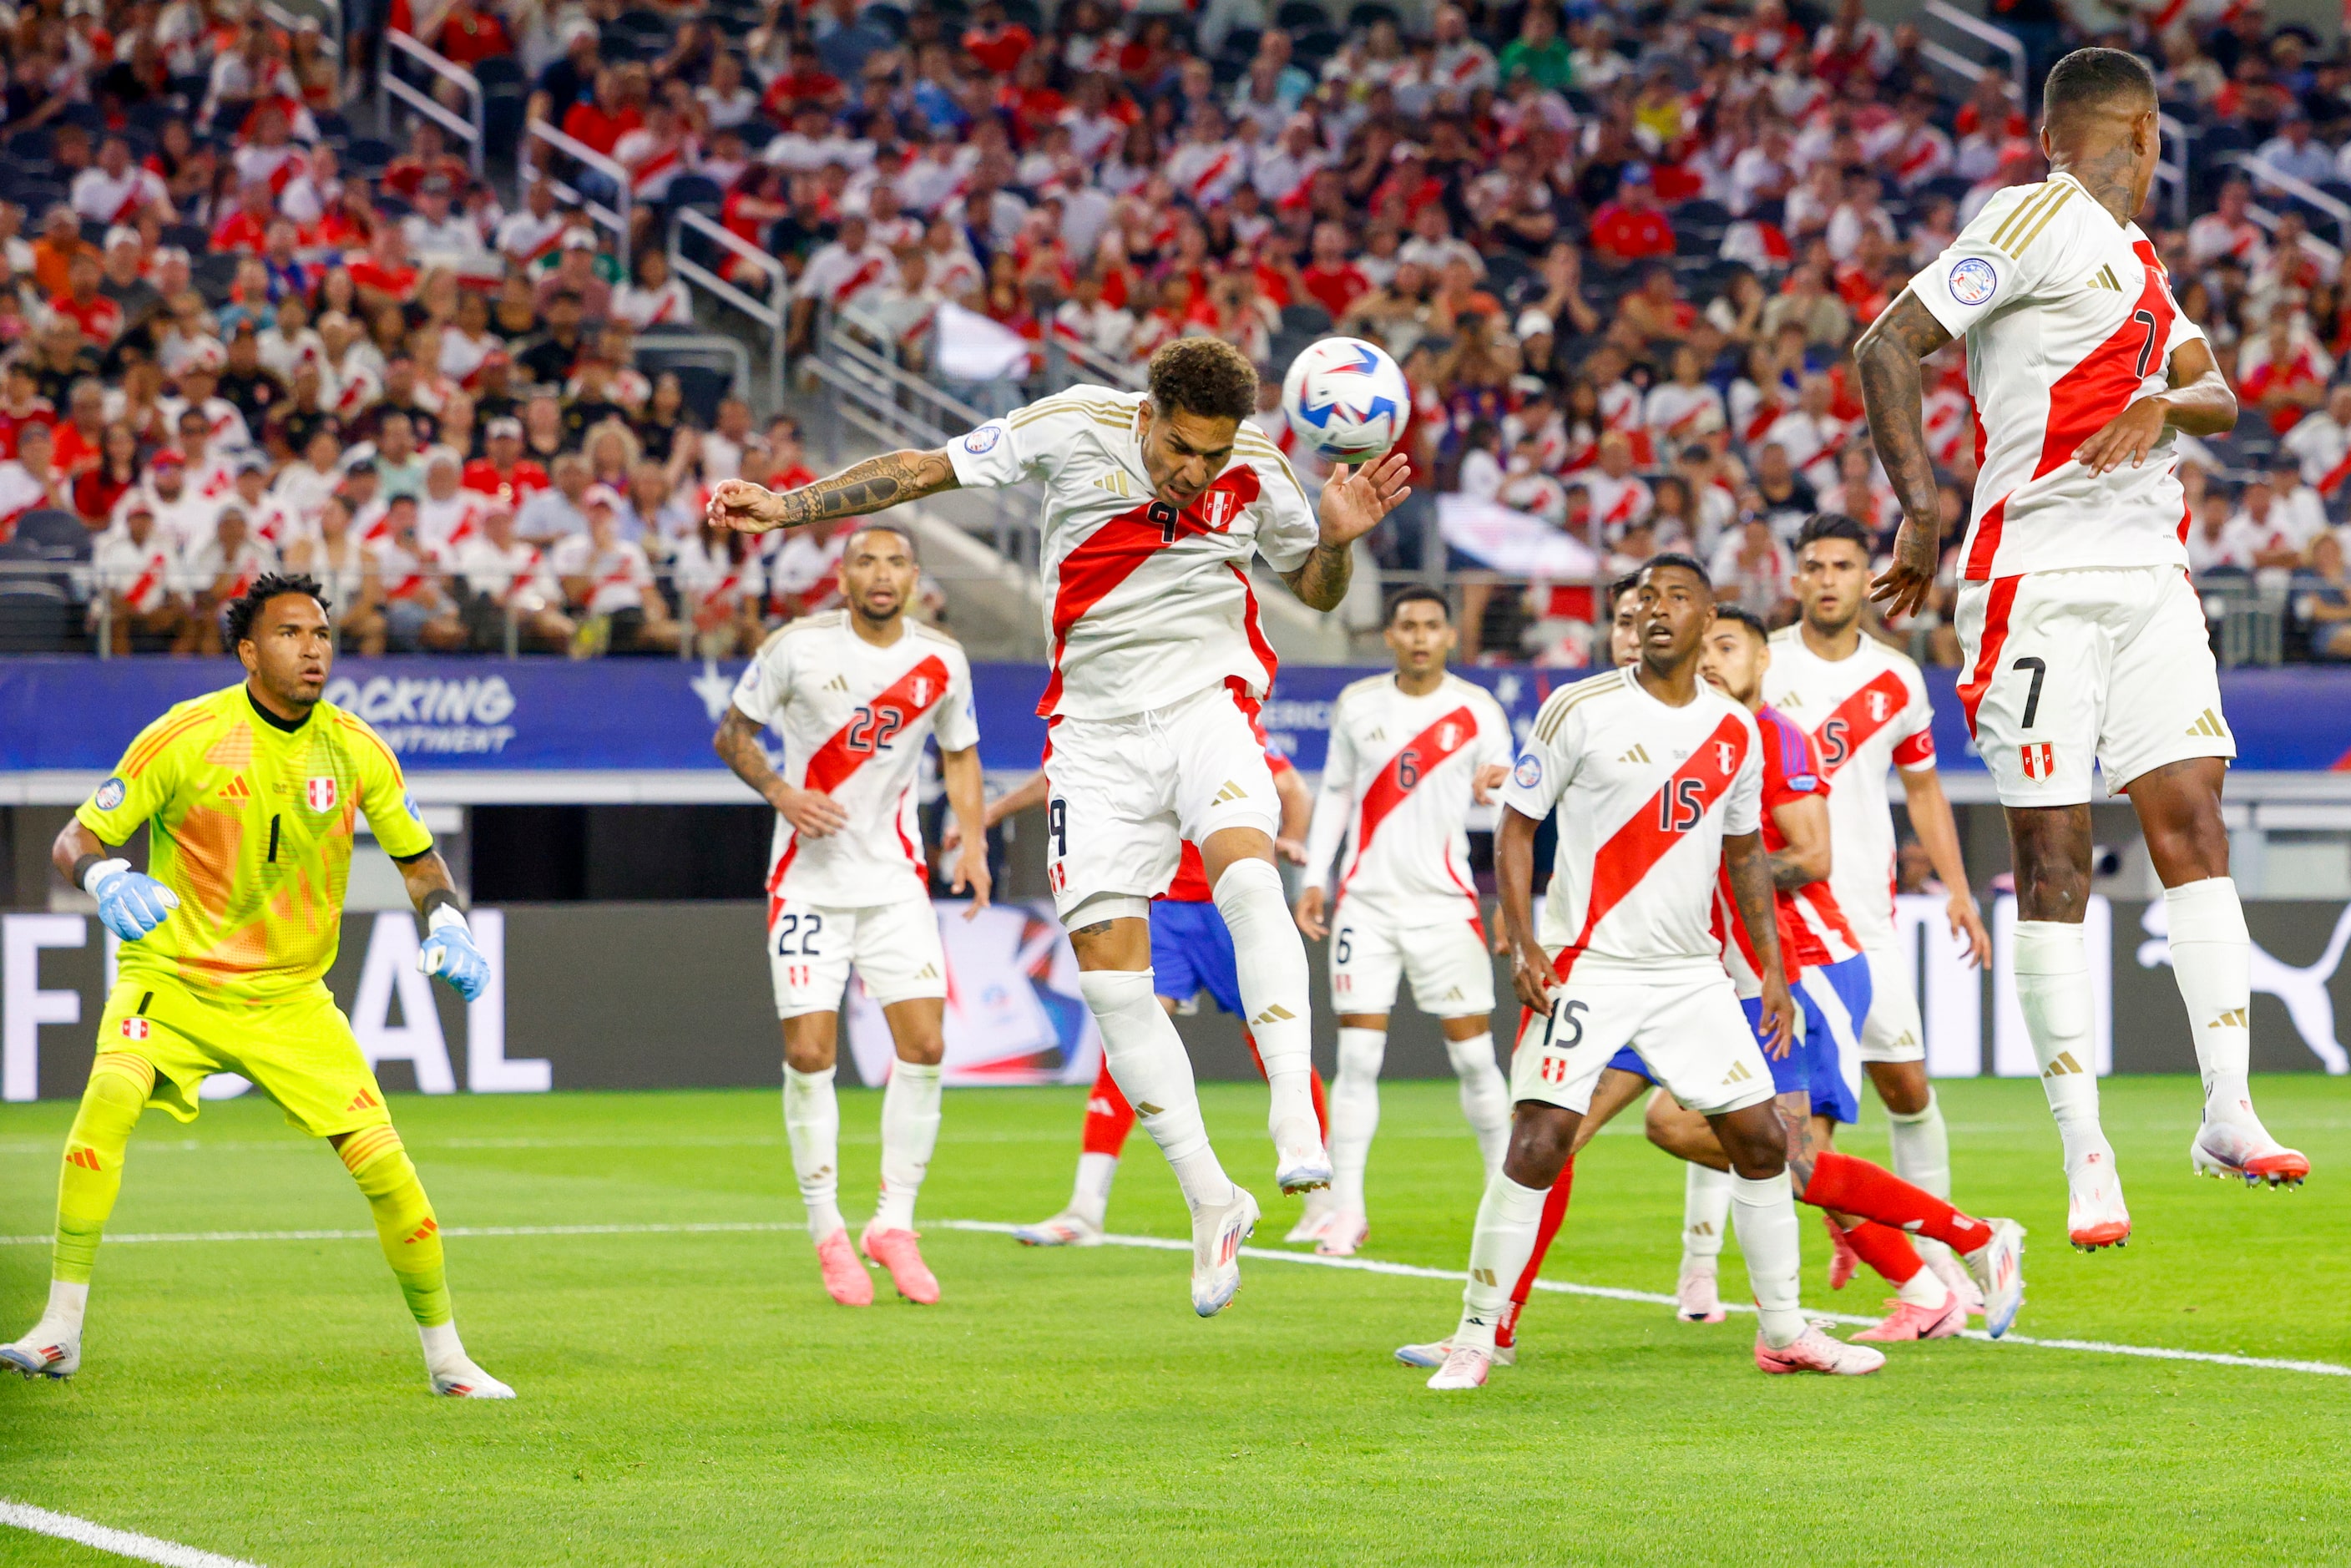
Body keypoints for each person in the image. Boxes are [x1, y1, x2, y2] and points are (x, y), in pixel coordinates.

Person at [705, 338, 1411, 1317]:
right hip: (1091, 735)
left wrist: (1335, 540)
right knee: (1113, 989)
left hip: (1208, 702)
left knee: (1249, 877)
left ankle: (1297, 1119)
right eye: (1180, 448)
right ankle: (1212, 1197)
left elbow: (1316, 586)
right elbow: (919, 469)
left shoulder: (1256, 464)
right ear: (1146, 411)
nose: (1194, 471)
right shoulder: (1073, 424)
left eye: (1212, 455)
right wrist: (787, 503)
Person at [1858, 48, 2307, 1252]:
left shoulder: (2145, 265)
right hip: (2036, 579)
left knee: (2194, 824)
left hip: (2152, 576)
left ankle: (2229, 1110)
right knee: (2054, 857)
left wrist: (2168, 403)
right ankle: (2087, 1152)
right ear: (2144, 134)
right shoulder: (2031, 215)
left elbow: (2215, 394)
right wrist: (1922, 505)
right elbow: (1887, 344)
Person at [0, 575, 509, 1399]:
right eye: (291, 635)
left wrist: (445, 922)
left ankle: (449, 1360)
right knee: (107, 1104)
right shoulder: (188, 735)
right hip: (174, 979)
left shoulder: (354, 747)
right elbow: (76, 838)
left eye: (321, 634)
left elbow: (419, 862)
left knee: (388, 1172)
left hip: (290, 1000)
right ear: (248, 649)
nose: (313, 651)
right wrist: (102, 880)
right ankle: (60, 1330)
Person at [1418, 554, 1883, 1390]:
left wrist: (1767, 971)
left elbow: (1743, 855)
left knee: (1758, 1140)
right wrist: (1524, 940)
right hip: (1587, 965)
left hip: (1688, 975)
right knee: (1537, 1141)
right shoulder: (1579, 708)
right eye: (1644, 599)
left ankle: (1782, 1330)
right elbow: (1516, 827)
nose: (1656, 611)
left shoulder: (1733, 732)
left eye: (1676, 597)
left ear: (1710, 619)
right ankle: (1473, 1335)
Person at [1642, 605, 2024, 1343]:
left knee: (1793, 1159)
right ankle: (1922, 1279)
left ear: (1764, 663)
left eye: (1731, 646)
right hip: (1746, 973)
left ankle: (1962, 1248)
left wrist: (1708, 869)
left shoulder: (1775, 736)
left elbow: (1813, 857)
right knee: (1701, 1131)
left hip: (1807, 966)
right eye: (1706, 647)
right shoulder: (1701, 738)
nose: (1714, 659)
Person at [711, 526, 988, 1307]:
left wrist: (970, 842)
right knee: (809, 1055)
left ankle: (892, 1225)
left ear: (914, 578)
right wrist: (784, 794)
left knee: (928, 1045)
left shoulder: (941, 659)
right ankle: (827, 1228)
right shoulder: (796, 647)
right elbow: (732, 734)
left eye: (896, 562)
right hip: (806, 884)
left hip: (895, 881)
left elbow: (960, 753)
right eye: (866, 561)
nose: (881, 574)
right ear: (842, 577)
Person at [1765, 513, 1992, 1299]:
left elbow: (1924, 792)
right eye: (1814, 565)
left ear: (1869, 579)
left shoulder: (1895, 679)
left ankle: (1943, 1262)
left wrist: (1959, 892)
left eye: (1842, 565)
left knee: (1907, 1087)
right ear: (1794, 578)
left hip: (1864, 917)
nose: (1827, 578)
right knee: (1744, 1100)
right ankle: (1703, 1279)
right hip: (1774, 923)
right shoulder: (1757, 664)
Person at [993, 731, 1332, 1249]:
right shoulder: (1126, 716)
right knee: (1130, 1036)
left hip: (1228, 901)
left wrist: (1295, 837)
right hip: (1166, 903)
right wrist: (994, 812)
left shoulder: (1219, 717)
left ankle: (1322, 1204)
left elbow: (1290, 786)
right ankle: (1085, 1208)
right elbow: (1062, 773)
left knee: (1271, 1039)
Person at [1291, 587, 1514, 1258]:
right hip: (1367, 903)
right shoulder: (1358, 704)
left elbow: (1509, 801)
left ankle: (1509, 1202)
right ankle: (1346, 1212)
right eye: (1407, 626)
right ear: (1389, 635)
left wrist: (1508, 887)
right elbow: (1333, 793)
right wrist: (1313, 879)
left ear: (1450, 636)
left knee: (1475, 1056)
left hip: (1445, 904)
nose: (1419, 637)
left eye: (1431, 626)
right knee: (1356, 1057)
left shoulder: (1477, 709)